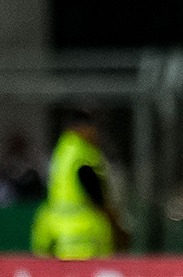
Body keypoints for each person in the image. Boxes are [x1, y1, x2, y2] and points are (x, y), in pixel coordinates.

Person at [31, 111, 128, 259]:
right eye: (92, 129)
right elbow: (93, 189)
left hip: (57, 231)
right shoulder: (82, 152)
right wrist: (111, 218)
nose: (96, 134)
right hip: (84, 234)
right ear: (83, 128)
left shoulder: (62, 150)